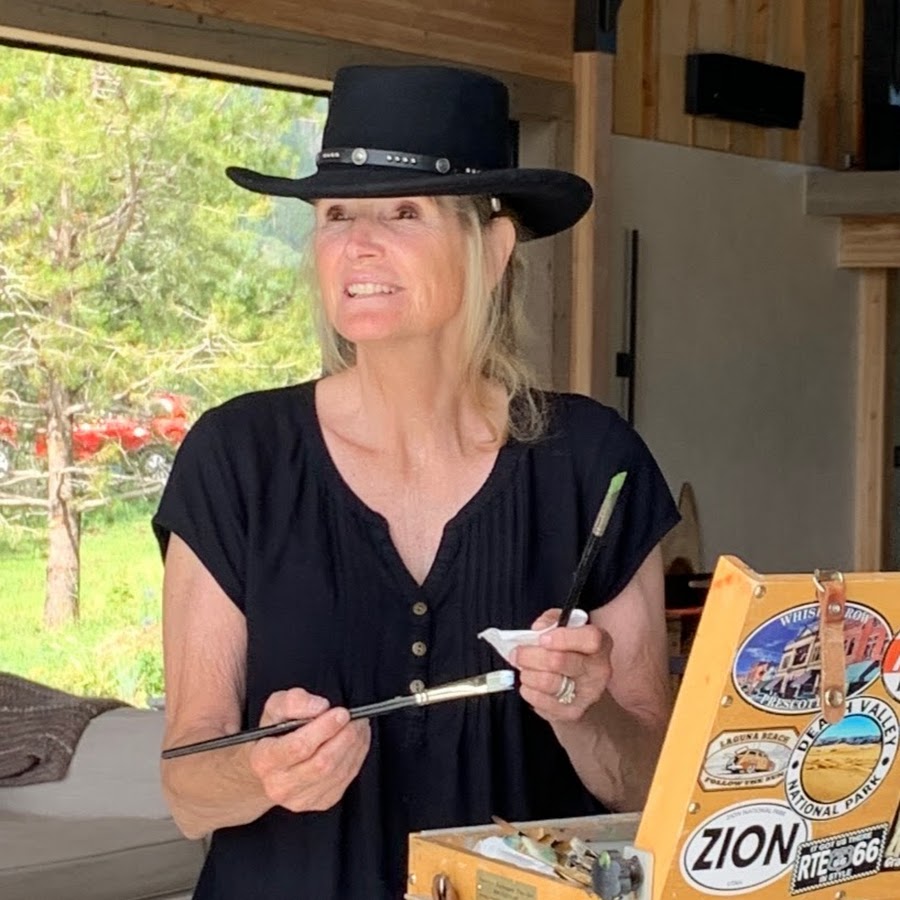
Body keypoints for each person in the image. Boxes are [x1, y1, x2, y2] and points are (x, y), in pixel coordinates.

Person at [153, 64, 679, 900]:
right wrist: (262, 771)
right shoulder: (237, 457)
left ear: (492, 250)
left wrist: (587, 713)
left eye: (402, 212)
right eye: (336, 215)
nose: (357, 244)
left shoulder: (593, 462)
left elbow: (655, 787)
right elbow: (188, 790)